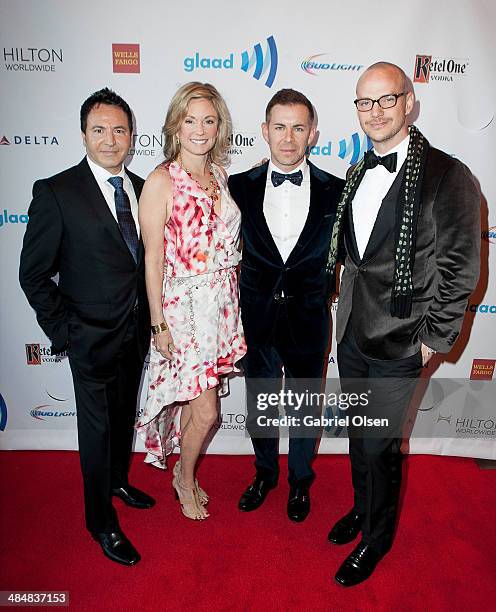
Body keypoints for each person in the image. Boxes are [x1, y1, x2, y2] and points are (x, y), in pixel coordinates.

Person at [325, 62, 481, 586]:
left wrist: (431, 342)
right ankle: (362, 510)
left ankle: (377, 538)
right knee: (357, 436)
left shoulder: (448, 175)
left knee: (381, 446)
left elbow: (461, 268)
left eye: (386, 100)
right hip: (352, 336)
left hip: (401, 341)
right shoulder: (355, 172)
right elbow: (355, 260)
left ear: (409, 102)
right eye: (364, 102)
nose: (374, 112)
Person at [19, 88, 154, 566]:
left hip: (135, 335)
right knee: (95, 432)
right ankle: (100, 521)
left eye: (119, 130)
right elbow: (32, 275)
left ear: (132, 137)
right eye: (100, 130)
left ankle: (117, 481)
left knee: (121, 419)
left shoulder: (142, 188)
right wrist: (65, 332)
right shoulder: (55, 192)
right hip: (88, 338)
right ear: (83, 135)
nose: (110, 140)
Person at [228, 89, 345, 522]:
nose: (289, 138)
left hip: (309, 318)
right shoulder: (237, 186)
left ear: (313, 133)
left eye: (299, 128)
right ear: (264, 131)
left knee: (304, 405)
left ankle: (299, 481)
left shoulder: (337, 191)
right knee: (259, 399)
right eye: (280, 127)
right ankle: (264, 473)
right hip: (255, 317)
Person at [136, 82, 246, 521]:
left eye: (209, 120)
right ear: (175, 125)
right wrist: (158, 323)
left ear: (219, 127)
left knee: (194, 403)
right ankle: (184, 477)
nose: (200, 129)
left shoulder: (219, 174)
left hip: (221, 306)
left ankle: (184, 471)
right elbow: (152, 257)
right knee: (206, 410)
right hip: (184, 313)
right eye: (190, 120)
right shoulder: (161, 180)